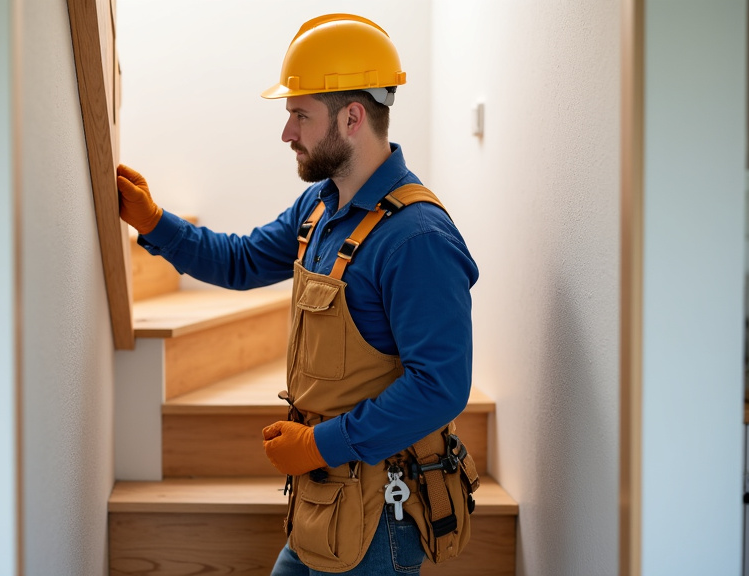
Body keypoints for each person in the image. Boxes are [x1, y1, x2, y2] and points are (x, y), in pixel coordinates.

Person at [116, 13, 479, 576]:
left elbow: (440, 388)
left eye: (299, 115)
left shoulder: (416, 239)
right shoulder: (320, 208)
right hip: (325, 498)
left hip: (381, 514)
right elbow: (242, 260)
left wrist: (320, 445)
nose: (287, 133)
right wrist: (157, 222)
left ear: (353, 117)